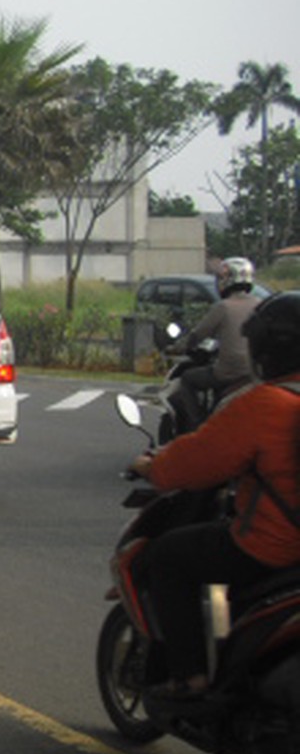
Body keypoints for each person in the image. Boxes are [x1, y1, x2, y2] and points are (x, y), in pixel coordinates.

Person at [129, 291, 300, 698]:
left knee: (169, 557)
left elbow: (192, 462)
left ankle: (191, 677)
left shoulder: (264, 405)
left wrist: (153, 466)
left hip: (273, 549)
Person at [174, 257, 264, 429]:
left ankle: (197, 425)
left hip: (229, 372)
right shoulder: (260, 305)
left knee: (187, 379)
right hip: (255, 373)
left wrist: (178, 347)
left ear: (226, 280)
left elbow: (198, 335)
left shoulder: (223, 307)